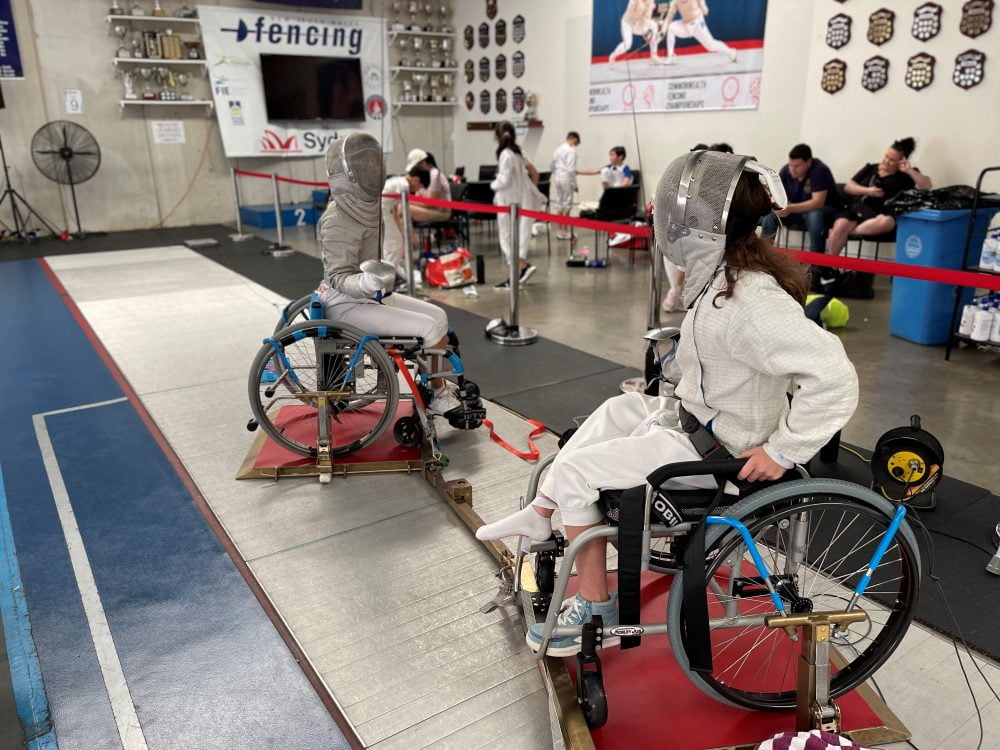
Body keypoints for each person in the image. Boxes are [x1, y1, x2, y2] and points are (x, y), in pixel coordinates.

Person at [476, 151, 859, 656]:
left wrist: (784, 451)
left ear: (701, 227)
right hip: (699, 420)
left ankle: (596, 604)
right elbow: (720, 359)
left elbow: (834, 375)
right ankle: (542, 510)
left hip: (719, 453)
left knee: (575, 472)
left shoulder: (751, 301)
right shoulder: (726, 276)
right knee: (615, 410)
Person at [316, 134, 463, 416]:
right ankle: (438, 394)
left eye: (373, 164)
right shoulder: (336, 218)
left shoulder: (368, 206)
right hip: (344, 304)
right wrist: (368, 281)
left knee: (439, 318)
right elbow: (337, 276)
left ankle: (433, 383)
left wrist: (373, 282)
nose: (372, 170)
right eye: (364, 165)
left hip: (370, 297)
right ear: (348, 172)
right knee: (428, 329)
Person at [827, 137, 932, 256]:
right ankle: (830, 267)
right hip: (858, 208)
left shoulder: (905, 175)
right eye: (886, 156)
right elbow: (848, 186)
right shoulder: (872, 168)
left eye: (892, 160)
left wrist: (909, 170)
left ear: (901, 161)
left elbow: (927, 185)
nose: (886, 161)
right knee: (840, 226)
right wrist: (867, 190)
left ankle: (850, 232)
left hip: (879, 216)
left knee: (887, 222)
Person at [491, 121, 544, 289]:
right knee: (518, 237)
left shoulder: (505, 155)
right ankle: (514, 274)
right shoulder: (519, 152)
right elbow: (535, 174)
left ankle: (521, 268)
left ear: (497, 136)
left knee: (507, 238)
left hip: (507, 201)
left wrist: (493, 185)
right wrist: (528, 190)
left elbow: (505, 180)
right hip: (521, 200)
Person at [761, 143, 839, 254]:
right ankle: (763, 254)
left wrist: (790, 208)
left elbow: (818, 202)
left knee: (814, 215)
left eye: (797, 166)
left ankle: (816, 261)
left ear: (808, 162)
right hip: (797, 209)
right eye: (791, 165)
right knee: (771, 215)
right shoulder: (786, 171)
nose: (792, 169)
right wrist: (776, 205)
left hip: (825, 210)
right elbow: (775, 194)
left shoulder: (820, 170)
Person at [381, 166, 431, 282]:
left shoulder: (398, 181)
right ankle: (386, 279)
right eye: (420, 186)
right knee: (395, 245)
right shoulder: (403, 186)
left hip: (382, 212)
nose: (418, 189)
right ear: (416, 180)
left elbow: (395, 212)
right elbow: (403, 212)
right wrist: (411, 234)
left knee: (392, 245)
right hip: (381, 213)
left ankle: (389, 275)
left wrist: (402, 232)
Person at [661, 0, 738, 64]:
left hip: (697, 24)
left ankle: (731, 52)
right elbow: (669, 17)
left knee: (711, 46)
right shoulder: (675, 2)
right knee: (671, 27)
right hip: (685, 26)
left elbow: (704, 8)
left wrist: (704, 9)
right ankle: (671, 56)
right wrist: (663, 31)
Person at [550, 131, 593, 241]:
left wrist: (558, 174)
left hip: (558, 178)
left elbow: (552, 166)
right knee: (567, 205)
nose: (576, 145)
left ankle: (560, 231)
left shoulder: (558, 149)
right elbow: (571, 169)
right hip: (566, 179)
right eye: (576, 143)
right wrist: (575, 185)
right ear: (574, 139)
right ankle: (564, 231)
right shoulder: (571, 150)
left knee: (559, 204)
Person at [609, 0, 663, 69]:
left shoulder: (651, 2)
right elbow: (631, 16)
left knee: (654, 25)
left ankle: (653, 55)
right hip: (628, 23)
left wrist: (646, 33)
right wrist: (644, 31)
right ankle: (613, 56)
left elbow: (647, 18)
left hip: (639, 23)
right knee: (628, 44)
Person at [404, 148, 452, 223]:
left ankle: (410, 235)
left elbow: (429, 204)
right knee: (401, 208)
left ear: (423, 162)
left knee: (404, 209)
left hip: (441, 211)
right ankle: (406, 234)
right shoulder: (420, 175)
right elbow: (418, 199)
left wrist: (406, 200)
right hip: (429, 208)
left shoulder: (434, 174)